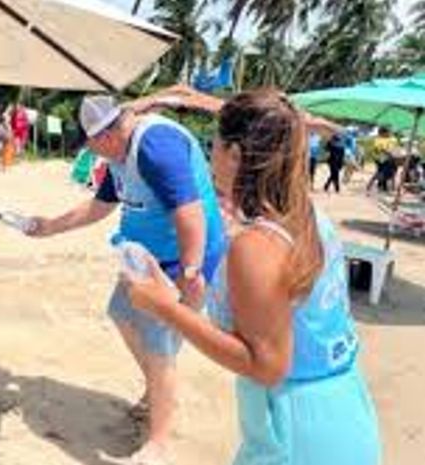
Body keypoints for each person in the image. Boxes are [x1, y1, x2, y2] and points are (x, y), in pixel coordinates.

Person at [124, 90, 381, 465]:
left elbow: (267, 365)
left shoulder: (257, 244)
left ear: (234, 155)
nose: (208, 155)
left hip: (295, 428)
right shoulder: (305, 215)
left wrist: (165, 308)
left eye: (213, 144)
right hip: (342, 407)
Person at [27, 95, 226, 464]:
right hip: (143, 253)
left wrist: (191, 273)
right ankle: (157, 387)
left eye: (91, 145)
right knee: (121, 312)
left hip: (182, 257)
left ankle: (159, 443)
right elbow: (99, 206)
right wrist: (49, 227)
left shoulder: (155, 147)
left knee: (158, 344)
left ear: (106, 136)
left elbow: (190, 215)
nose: (93, 153)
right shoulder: (117, 154)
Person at [367, 127, 398, 193]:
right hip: (381, 159)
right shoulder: (378, 140)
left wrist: (388, 151)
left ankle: (385, 186)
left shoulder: (393, 139)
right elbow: (377, 150)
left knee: (390, 172)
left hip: (390, 158)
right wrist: (383, 151)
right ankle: (373, 185)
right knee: (382, 172)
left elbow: (394, 148)